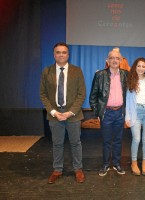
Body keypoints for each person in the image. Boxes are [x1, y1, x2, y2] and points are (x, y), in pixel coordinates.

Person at [40, 42, 86, 184]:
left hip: (73, 115)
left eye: (64, 52)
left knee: (75, 143)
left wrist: (70, 112)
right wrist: (54, 112)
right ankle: (57, 170)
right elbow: (43, 94)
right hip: (55, 115)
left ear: (68, 54)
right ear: (54, 54)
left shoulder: (77, 71)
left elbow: (81, 94)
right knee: (57, 144)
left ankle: (78, 169)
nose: (61, 54)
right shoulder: (47, 71)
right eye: (58, 52)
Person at [89, 48, 128, 176]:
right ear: (107, 60)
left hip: (120, 113)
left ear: (121, 60)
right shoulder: (100, 75)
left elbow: (130, 95)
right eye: (112, 58)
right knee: (106, 141)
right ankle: (105, 164)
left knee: (118, 140)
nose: (114, 60)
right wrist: (98, 113)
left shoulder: (126, 75)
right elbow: (93, 97)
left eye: (117, 58)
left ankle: (116, 164)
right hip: (107, 113)